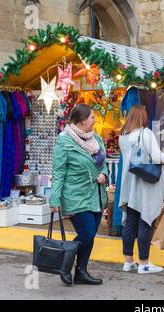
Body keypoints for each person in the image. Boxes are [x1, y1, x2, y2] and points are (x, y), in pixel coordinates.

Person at [50, 104, 108, 286]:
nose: (95, 119)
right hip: (75, 195)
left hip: (96, 196)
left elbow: (101, 163)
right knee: (87, 233)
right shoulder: (64, 141)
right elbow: (58, 172)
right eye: (92, 117)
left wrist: (104, 174)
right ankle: (64, 265)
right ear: (82, 120)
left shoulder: (95, 138)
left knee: (89, 236)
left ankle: (81, 271)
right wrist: (54, 199)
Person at [118, 105, 164, 274]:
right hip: (144, 184)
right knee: (146, 220)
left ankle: (128, 261)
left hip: (129, 185)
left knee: (131, 222)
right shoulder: (146, 133)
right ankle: (144, 263)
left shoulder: (123, 136)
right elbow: (156, 156)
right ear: (143, 117)